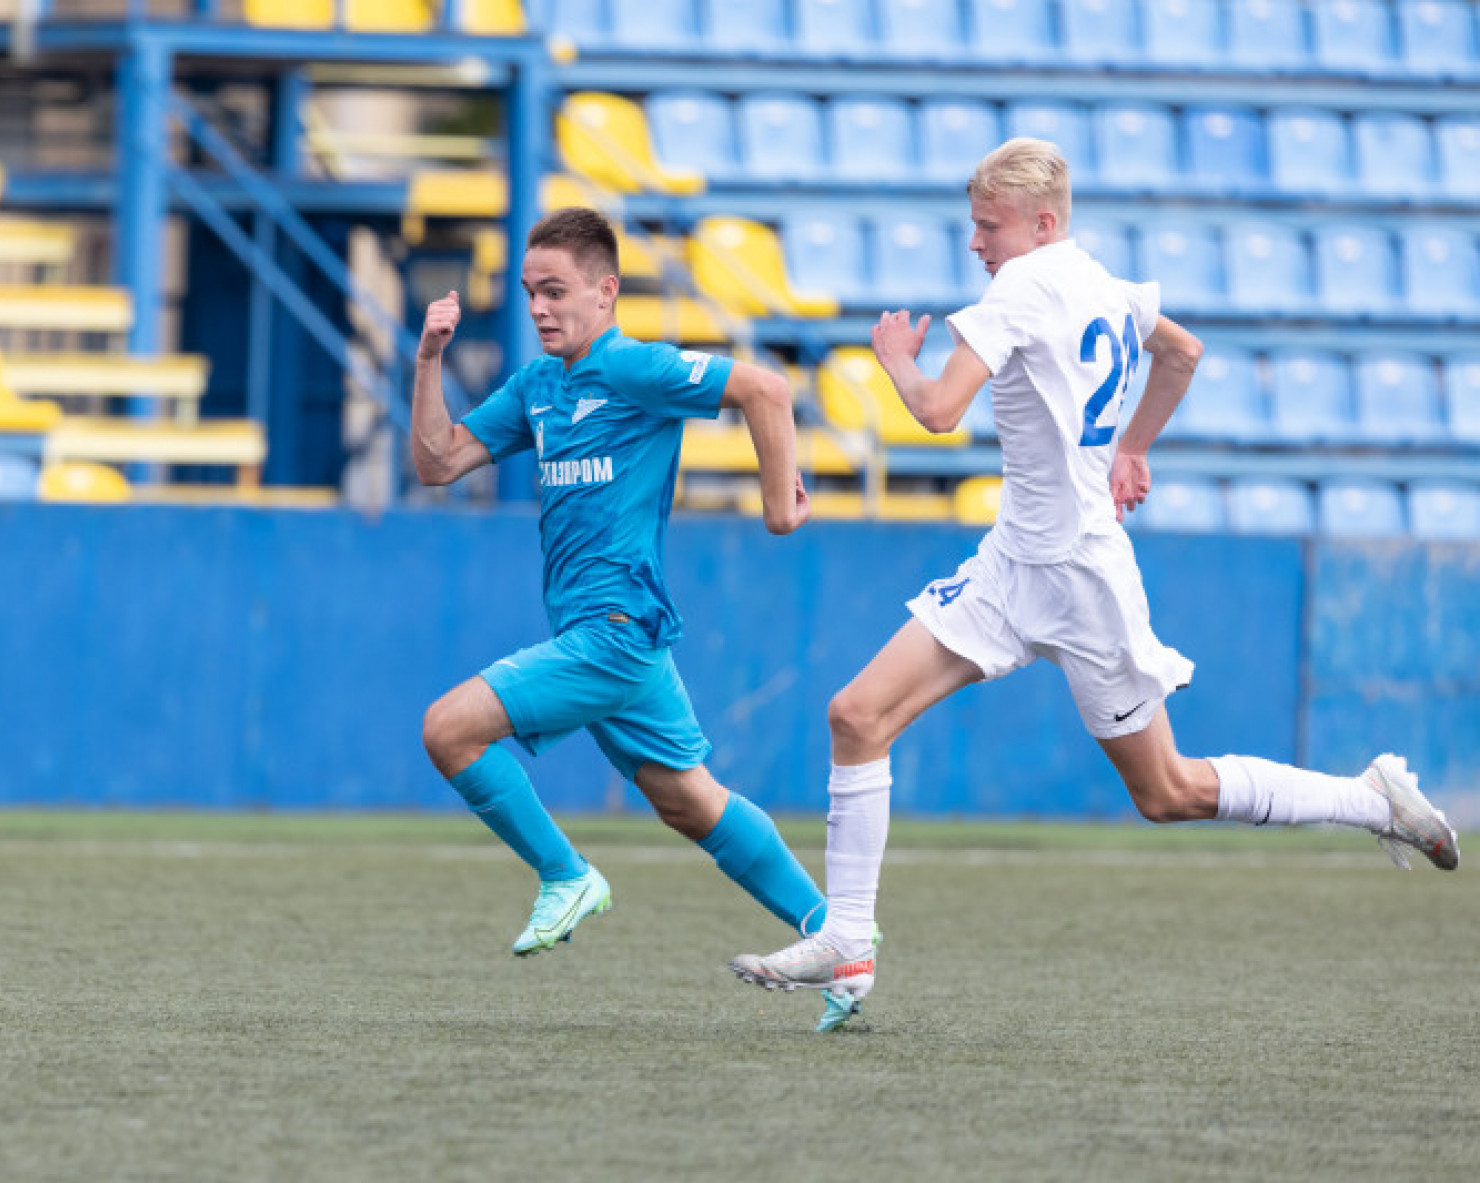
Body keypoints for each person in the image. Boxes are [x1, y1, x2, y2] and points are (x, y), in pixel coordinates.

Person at [729, 138, 1461, 1027]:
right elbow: (1183, 352)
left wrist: (894, 354)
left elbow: (934, 409)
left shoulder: (1025, 285)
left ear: (1041, 223)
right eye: (972, 225)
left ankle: (1369, 798)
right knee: (857, 714)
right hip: (1014, 561)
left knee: (1169, 791)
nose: (975, 243)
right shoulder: (1105, 284)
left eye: (987, 225)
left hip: (1076, 573)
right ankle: (847, 935)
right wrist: (1135, 447)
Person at [415, 207, 840, 1010]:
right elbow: (438, 460)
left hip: (615, 630)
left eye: (557, 291)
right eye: (530, 293)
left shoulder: (634, 368)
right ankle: (838, 935)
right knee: (689, 800)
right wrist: (429, 359)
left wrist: (781, 506)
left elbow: (765, 386)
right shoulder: (538, 384)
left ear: (606, 293)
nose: (540, 308)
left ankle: (566, 875)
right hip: (611, 638)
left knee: (448, 727)